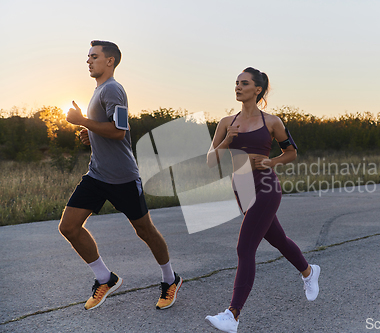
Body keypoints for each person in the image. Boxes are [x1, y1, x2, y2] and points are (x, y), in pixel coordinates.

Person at [61, 40, 182, 310]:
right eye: (88, 57)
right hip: (97, 174)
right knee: (68, 226)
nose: (89, 61)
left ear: (110, 61)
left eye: (94, 56)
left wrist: (82, 121)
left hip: (123, 177)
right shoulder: (99, 90)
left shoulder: (113, 89)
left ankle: (170, 279)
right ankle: (105, 278)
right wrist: (91, 135)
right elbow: (107, 130)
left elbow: (119, 131)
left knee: (145, 231)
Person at [205, 67, 320, 332]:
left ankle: (232, 315)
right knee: (278, 239)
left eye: (244, 83)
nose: (238, 87)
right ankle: (308, 271)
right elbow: (211, 161)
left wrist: (271, 161)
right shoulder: (226, 122)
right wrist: (227, 141)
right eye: (236, 83)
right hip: (241, 187)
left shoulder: (272, 122)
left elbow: (291, 152)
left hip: (266, 186)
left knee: (245, 249)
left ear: (258, 90)